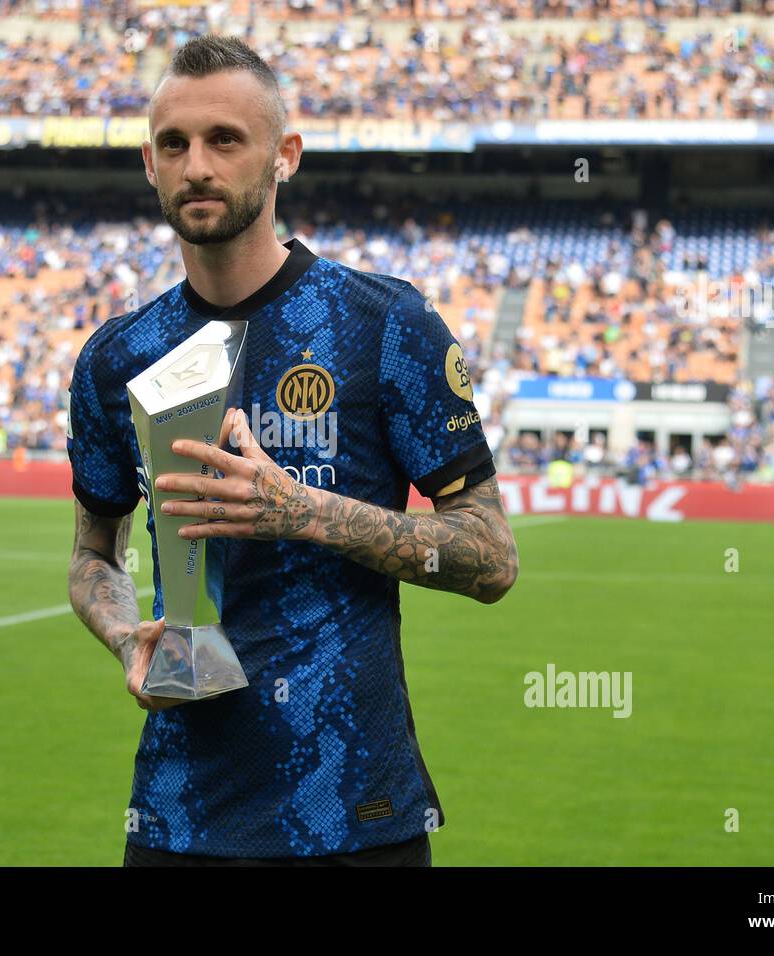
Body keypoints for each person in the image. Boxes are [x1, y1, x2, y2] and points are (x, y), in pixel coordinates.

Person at [67, 35, 518, 867]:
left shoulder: (385, 326)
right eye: (175, 144)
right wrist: (125, 631)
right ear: (149, 162)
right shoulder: (116, 356)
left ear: (285, 157)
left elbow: (491, 559)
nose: (197, 164)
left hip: (356, 816)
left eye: (225, 140)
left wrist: (301, 511)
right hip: (178, 819)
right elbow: (95, 554)